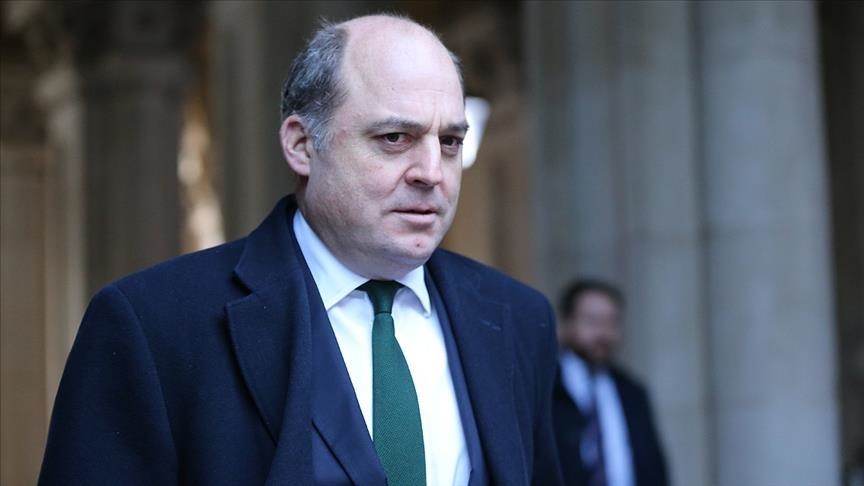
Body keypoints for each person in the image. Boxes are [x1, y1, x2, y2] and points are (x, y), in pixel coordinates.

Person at [38, 14, 563, 486]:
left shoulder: (518, 319)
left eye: (449, 142)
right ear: (301, 145)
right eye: (395, 138)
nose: (432, 172)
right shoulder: (154, 325)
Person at [553, 279, 668, 486]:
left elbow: (653, 465)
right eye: (592, 321)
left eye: (612, 322)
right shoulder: (547, 387)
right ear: (566, 323)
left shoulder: (631, 391)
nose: (603, 333)